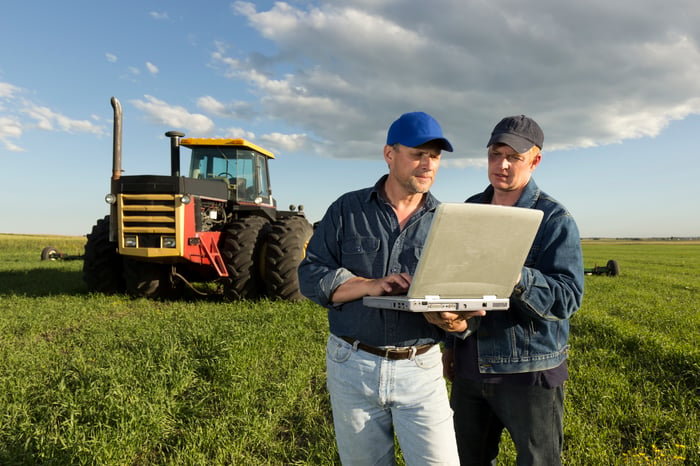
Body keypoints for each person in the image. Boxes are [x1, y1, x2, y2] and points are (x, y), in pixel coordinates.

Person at [298, 112, 478, 465]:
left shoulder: (447, 223)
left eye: (435, 156)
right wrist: (369, 285)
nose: (428, 164)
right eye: (418, 153)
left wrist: (453, 321)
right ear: (389, 154)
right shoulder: (347, 209)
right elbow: (310, 275)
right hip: (353, 363)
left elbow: (458, 303)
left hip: (420, 367)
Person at [442, 115, 584, 466]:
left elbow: (567, 298)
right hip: (470, 369)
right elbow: (451, 283)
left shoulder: (554, 220)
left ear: (535, 161)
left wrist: (514, 273)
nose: (501, 165)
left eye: (514, 157)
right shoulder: (469, 211)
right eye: (494, 154)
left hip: (528, 374)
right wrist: (449, 345)